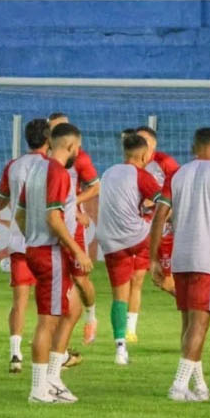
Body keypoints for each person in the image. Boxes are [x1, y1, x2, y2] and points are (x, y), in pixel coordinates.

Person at [150, 127, 210, 402]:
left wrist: (153, 257)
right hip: (207, 258)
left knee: (190, 324)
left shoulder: (177, 174)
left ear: (193, 147)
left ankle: (199, 386)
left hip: (181, 258)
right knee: (200, 325)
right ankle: (178, 385)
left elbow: (159, 216)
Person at [16, 122, 93, 403]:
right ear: (70, 146)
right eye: (78, 148)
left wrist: (32, 238)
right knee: (47, 322)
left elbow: (20, 214)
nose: (78, 153)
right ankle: (39, 388)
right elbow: (53, 218)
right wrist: (77, 251)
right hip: (51, 251)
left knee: (72, 308)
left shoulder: (36, 169)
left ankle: (54, 378)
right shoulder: (58, 173)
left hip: (38, 249)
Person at [95, 133, 162, 366]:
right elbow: (164, 204)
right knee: (161, 231)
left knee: (119, 296)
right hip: (137, 238)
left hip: (109, 241)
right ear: (144, 156)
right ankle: (179, 290)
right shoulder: (142, 175)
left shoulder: (108, 172)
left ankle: (120, 349)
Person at [0, 118, 51, 373]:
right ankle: (53, 354)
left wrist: (6, 201)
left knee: (20, 302)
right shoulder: (52, 166)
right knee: (51, 303)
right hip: (46, 242)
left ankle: (15, 354)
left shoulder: (13, 166)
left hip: (19, 242)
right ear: (48, 139)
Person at [48, 112, 100, 349]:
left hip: (72, 225)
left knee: (79, 278)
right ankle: (54, 333)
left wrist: (73, 205)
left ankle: (91, 316)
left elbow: (96, 187)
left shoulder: (80, 158)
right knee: (54, 280)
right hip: (50, 225)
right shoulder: (44, 159)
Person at [135, 125, 179, 310]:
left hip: (164, 228)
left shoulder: (164, 162)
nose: (140, 143)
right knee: (138, 277)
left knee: (165, 280)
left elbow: (179, 188)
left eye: (144, 139)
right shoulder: (133, 164)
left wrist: (159, 204)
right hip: (141, 227)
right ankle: (129, 326)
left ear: (154, 143)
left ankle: (192, 304)